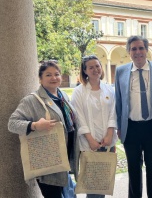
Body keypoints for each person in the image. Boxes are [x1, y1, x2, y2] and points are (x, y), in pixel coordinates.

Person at [8, 60, 79, 198]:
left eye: (56, 74)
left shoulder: (62, 96)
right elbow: (12, 123)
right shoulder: (31, 100)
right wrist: (34, 126)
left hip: (64, 160)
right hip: (48, 164)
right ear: (40, 79)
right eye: (48, 75)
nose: (54, 78)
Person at [115, 35, 152, 198]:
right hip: (130, 127)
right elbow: (118, 101)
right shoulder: (120, 71)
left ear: (146, 50)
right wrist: (119, 126)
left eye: (141, 48)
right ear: (129, 52)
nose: (138, 52)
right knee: (133, 168)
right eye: (133, 48)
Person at [71, 55, 117, 198]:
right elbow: (78, 118)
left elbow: (113, 113)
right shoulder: (79, 92)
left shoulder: (109, 89)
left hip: (107, 143)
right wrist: (90, 140)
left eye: (97, 66)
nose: (95, 69)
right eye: (91, 67)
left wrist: (109, 134)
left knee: (103, 184)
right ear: (84, 71)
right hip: (88, 145)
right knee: (92, 186)